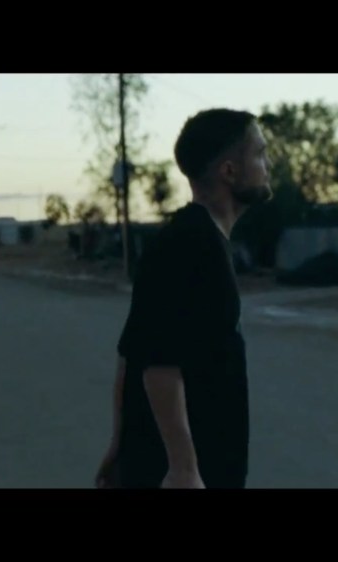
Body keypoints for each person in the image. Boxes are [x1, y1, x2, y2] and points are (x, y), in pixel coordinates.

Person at [96, 108, 272, 489]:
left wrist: (118, 443)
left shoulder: (193, 238)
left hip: (167, 465)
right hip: (185, 473)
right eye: (259, 154)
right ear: (229, 171)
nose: (267, 164)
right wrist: (183, 468)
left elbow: (132, 353)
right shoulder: (192, 245)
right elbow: (159, 364)